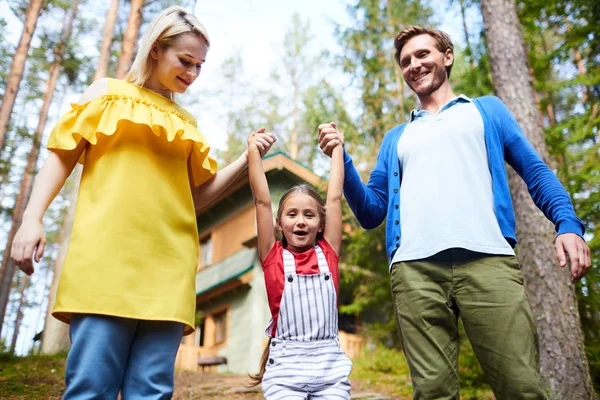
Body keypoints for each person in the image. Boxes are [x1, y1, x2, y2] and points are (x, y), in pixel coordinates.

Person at [11, 6, 275, 399]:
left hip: (169, 270)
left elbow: (196, 196)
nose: (192, 73)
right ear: (155, 49)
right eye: (185, 61)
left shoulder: (187, 123)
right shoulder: (107, 94)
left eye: (200, 66)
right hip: (104, 264)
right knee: (91, 387)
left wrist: (245, 157)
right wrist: (32, 218)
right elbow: (61, 156)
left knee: (151, 390)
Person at [318, 26, 591, 400]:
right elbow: (371, 211)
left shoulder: (486, 111)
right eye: (406, 61)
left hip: (489, 261)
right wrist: (343, 159)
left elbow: (535, 170)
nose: (414, 64)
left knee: (521, 387)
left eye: (423, 54)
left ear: (446, 56)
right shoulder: (396, 137)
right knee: (433, 393)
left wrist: (567, 223)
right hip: (415, 271)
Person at [247, 124, 352, 399]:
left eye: (309, 215)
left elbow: (334, 197)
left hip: (331, 369)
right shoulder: (272, 256)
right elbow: (261, 201)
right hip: (284, 371)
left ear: (321, 224)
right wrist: (254, 154)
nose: (301, 221)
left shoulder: (328, 252)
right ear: (279, 223)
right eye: (292, 214)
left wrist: (338, 148)